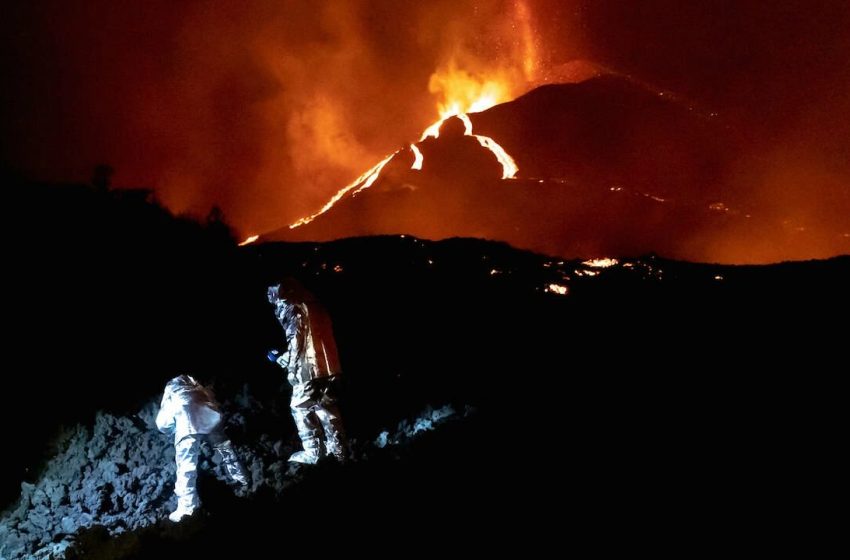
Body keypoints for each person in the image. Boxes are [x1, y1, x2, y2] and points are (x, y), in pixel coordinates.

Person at [267, 278, 349, 464]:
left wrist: (292, 369)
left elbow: (297, 341)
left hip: (309, 370)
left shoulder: (293, 307)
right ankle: (340, 452)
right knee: (326, 406)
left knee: (299, 406)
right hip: (330, 368)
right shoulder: (314, 304)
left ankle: (314, 451)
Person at [156, 374, 248, 522]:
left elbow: (162, 424)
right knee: (226, 451)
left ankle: (187, 509)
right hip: (212, 421)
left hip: (187, 427)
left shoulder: (173, 395)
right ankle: (242, 478)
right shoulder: (200, 390)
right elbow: (216, 407)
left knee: (186, 468)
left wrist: (173, 430)